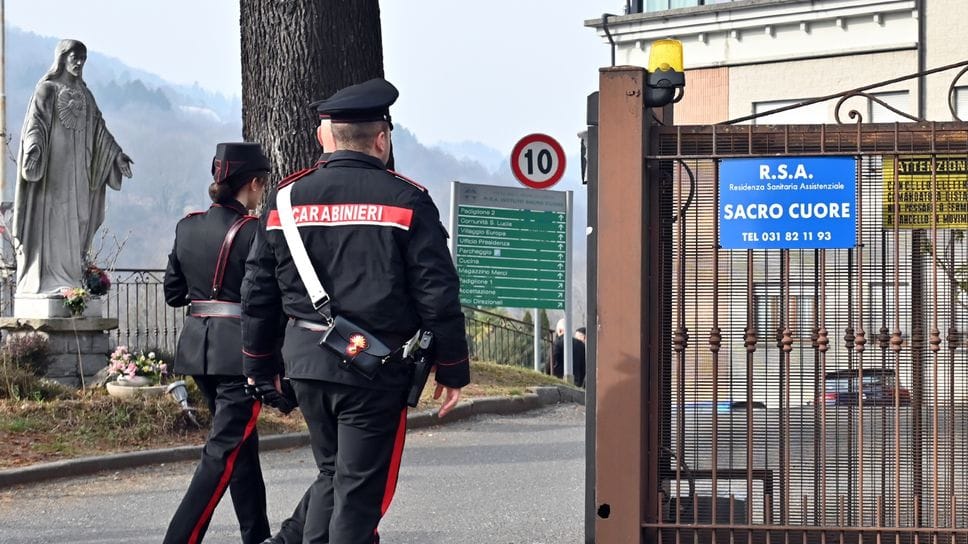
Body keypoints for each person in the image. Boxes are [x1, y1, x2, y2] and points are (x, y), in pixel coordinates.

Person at [242, 77, 470, 544]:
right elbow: (437, 293)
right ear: (382, 139)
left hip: (306, 363)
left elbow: (258, 292)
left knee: (333, 473)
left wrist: (260, 367)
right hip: (374, 368)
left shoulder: (285, 199)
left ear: (324, 137)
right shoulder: (408, 200)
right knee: (359, 495)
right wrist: (452, 367)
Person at [162, 142, 273, 544]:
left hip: (196, 352)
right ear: (255, 184)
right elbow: (267, 298)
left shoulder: (186, 226)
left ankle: (258, 536)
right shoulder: (255, 232)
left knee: (241, 451)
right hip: (240, 357)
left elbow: (173, 293)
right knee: (222, 454)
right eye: (263, 184)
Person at [14, 38, 133, 296]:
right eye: (74, 57)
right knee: (53, 221)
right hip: (53, 174)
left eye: (83, 58)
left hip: (79, 172)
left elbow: (100, 130)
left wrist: (116, 156)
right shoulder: (47, 90)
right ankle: (48, 279)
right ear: (62, 58)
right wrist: (33, 148)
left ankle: (71, 281)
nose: (79, 62)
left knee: (78, 220)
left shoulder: (86, 96)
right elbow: (35, 124)